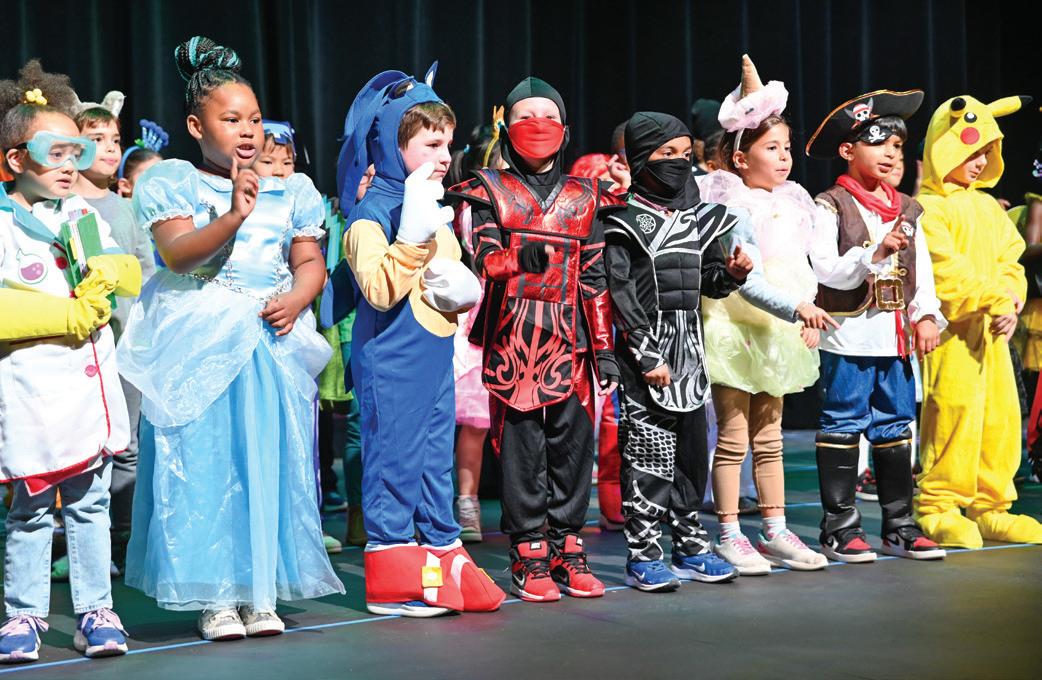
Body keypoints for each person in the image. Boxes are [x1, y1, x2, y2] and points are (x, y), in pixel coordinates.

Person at [118, 36, 344, 641]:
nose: (247, 131)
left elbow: (308, 260)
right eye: (231, 119)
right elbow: (179, 255)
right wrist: (234, 215)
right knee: (205, 463)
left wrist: (299, 297)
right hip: (200, 343)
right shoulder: (175, 182)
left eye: (254, 119)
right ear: (197, 126)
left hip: (267, 344)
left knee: (266, 462)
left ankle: (259, 590)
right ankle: (215, 595)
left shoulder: (292, 190)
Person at [334, 64, 504, 617]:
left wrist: (462, 290)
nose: (444, 155)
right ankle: (392, 574)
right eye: (432, 144)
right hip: (391, 358)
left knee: (433, 460)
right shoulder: (371, 214)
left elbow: (442, 278)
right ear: (394, 143)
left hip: (433, 356)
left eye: (448, 144)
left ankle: (442, 550)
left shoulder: (430, 202)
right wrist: (409, 238)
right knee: (394, 460)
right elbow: (379, 290)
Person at [451, 77, 620, 603]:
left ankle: (568, 546)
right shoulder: (487, 189)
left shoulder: (586, 196)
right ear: (507, 128)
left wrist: (604, 348)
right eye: (525, 116)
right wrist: (515, 260)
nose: (538, 125)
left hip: (573, 339)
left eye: (548, 115)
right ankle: (528, 552)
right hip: (514, 335)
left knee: (573, 446)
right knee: (522, 449)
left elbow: (594, 277)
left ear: (565, 129)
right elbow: (483, 259)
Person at [0, 60, 141, 662]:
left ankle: (96, 611)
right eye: (53, 154)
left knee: (90, 502)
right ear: (15, 160)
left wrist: (109, 273)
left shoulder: (82, 215)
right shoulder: (3, 224)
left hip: (86, 389)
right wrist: (65, 315)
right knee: (31, 508)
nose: (67, 166)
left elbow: (127, 271)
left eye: (74, 154)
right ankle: (23, 615)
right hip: (31, 391)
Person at [604, 110, 751, 591]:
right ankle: (643, 554)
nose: (678, 162)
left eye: (685, 154)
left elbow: (706, 282)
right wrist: (646, 354)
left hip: (691, 350)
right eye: (666, 153)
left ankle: (690, 546)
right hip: (645, 356)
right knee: (649, 456)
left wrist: (732, 274)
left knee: (691, 455)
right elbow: (621, 293)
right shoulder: (622, 222)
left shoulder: (699, 219)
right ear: (641, 158)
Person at [699, 55, 835, 574]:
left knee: (770, 436)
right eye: (771, 148)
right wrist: (798, 308)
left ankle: (775, 530)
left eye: (787, 148)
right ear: (740, 157)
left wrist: (809, 310)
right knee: (733, 437)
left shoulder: (795, 201)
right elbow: (749, 279)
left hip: (779, 325)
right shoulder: (732, 203)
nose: (783, 157)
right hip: (735, 323)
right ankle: (730, 533)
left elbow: (808, 265)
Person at [806, 87, 947, 562]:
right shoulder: (829, 204)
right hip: (850, 336)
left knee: (896, 425)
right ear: (848, 150)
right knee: (843, 422)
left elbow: (922, 270)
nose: (890, 152)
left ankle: (899, 525)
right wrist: (874, 252)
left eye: (898, 145)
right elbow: (825, 269)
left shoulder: (907, 208)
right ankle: (840, 528)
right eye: (878, 142)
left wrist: (925, 314)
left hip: (895, 337)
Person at [914, 94, 1042, 547]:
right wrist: (994, 300)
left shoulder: (989, 208)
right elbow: (944, 270)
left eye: (987, 152)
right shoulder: (928, 209)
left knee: (999, 419)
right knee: (953, 415)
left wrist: (1010, 299)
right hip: (952, 334)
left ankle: (992, 506)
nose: (981, 162)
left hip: (993, 333)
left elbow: (1012, 259)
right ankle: (938, 506)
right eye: (972, 152)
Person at [72, 97, 158, 575]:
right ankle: (77, 543)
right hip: (79, 346)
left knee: (126, 444)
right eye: (96, 139)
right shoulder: (63, 206)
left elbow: (146, 270)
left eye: (115, 140)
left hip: (126, 345)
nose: (109, 148)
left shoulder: (127, 208)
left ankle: (120, 538)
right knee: (79, 446)